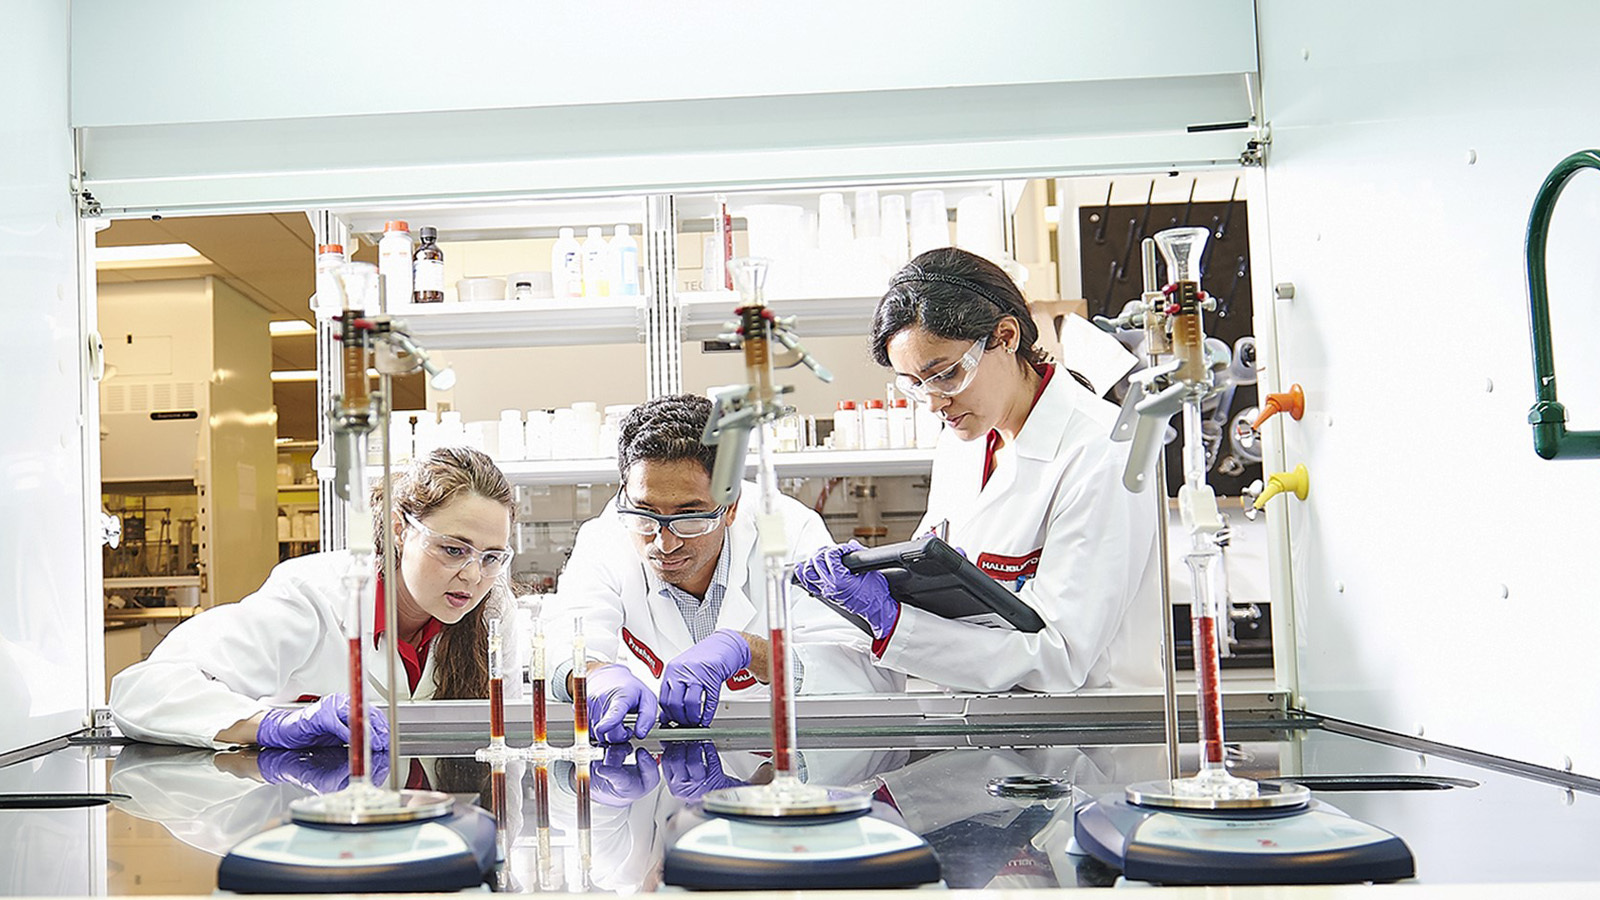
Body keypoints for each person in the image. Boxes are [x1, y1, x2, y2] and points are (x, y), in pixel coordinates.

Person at [794, 248, 1161, 693]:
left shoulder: (1102, 450)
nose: (933, 403)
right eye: (913, 385)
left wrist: (895, 622)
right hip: (986, 730)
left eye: (944, 375)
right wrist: (882, 585)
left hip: (1086, 740)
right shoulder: (962, 445)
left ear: (1005, 336)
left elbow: (1060, 658)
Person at [542, 394, 902, 742]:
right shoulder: (607, 535)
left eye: (690, 518)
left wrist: (754, 653)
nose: (664, 543)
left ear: (730, 506)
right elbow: (564, 640)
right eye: (646, 515)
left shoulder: (788, 533)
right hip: (657, 765)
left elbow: (868, 673)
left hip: (775, 765)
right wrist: (594, 675)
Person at [111, 447, 517, 749]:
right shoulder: (312, 595)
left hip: (436, 824)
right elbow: (144, 690)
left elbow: (507, 739)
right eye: (453, 549)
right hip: (311, 818)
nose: (473, 575)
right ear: (399, 529)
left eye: (492, 557)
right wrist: (274, 725)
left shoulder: (493, 611)